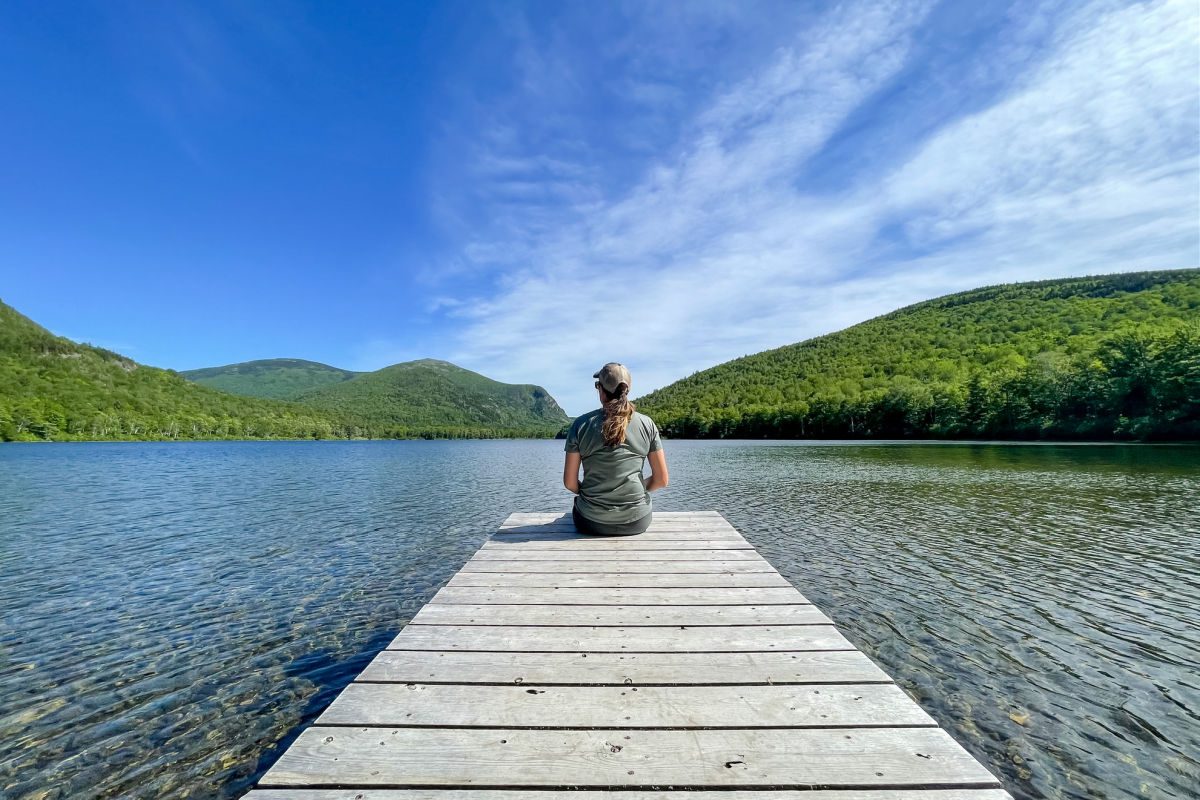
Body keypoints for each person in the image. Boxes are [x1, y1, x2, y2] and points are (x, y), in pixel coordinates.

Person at [563, 362, 669, 535]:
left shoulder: (580, 425)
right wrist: (630, 492)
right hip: (637, 520)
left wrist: (593, 495)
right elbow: (661, 480)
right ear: (627, 390)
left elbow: (570, 483)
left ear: (601, 390)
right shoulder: (647, 424)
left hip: (591, 521)